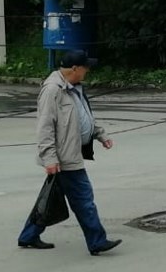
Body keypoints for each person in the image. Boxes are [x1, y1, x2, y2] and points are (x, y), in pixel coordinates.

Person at [17, 51, 122, 255]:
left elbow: (83, 117)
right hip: (64, 158)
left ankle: (28, 236)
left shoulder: (74, 89)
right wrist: (49, 158)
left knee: (49, 197)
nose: (88, 71)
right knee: (84, 199)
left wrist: (100, 134)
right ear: (75, 68)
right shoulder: (52, 91)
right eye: (85, 67)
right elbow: (45, 127)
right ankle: (97, 241)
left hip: (70, 153)